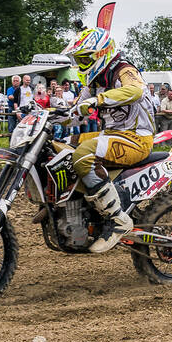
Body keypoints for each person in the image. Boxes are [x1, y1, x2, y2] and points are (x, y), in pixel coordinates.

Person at [63, 27, 155, 253]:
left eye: (84, 58)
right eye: (79, 59)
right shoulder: (94, 81)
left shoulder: (124, 69)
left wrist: (99, 100)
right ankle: (68, 204)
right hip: (112, 136)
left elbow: (137, 90)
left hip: (136, 138)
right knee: (62, 146)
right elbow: (76, 112)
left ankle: (118, 220)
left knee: (83, 153)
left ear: (100, 53)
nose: (81, 63)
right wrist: (53, 117)